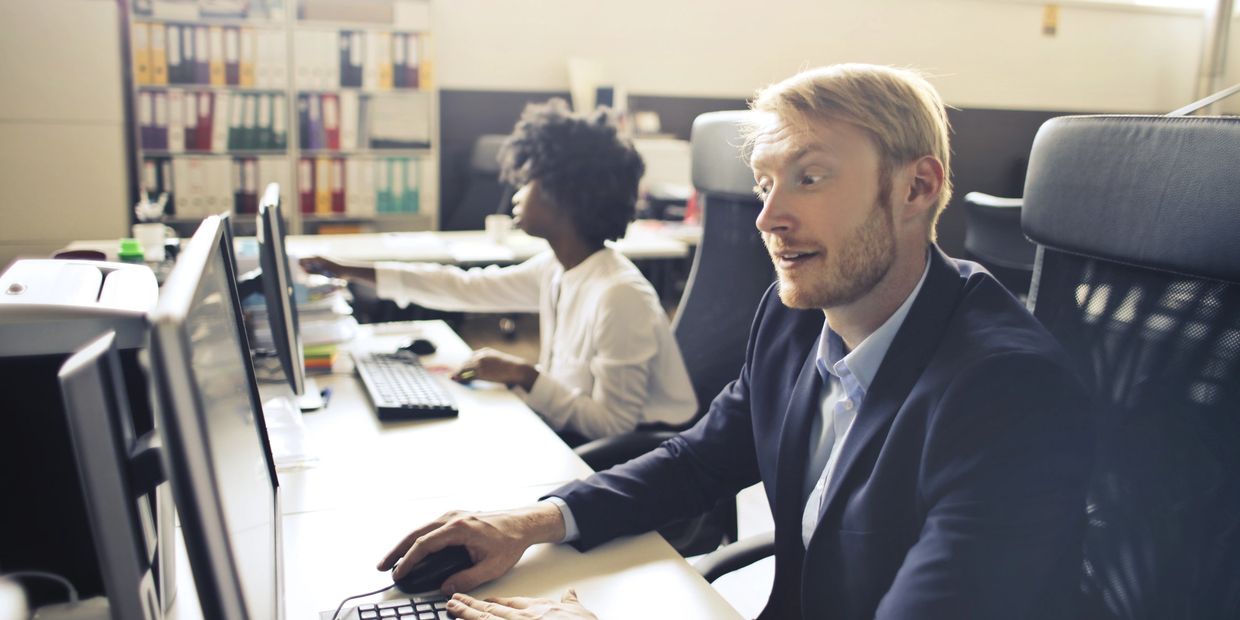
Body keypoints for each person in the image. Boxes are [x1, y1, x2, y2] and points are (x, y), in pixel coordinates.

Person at [376, 64, 1094, 620]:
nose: (769, 218)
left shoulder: (1005, 393)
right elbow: (702, 459)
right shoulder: (794, 318)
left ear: (916, 188)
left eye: (809, 177)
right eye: (764, 184)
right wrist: (529, 522)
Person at [301, 99, 697, 443]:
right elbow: (462, 286)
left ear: (566, 196)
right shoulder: (558, 268)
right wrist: (350, 270)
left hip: (635, 459)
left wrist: (524, 375)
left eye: (531, 180)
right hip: (575, 434)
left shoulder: (618, 295)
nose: (518, 192)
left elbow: (614, 427)